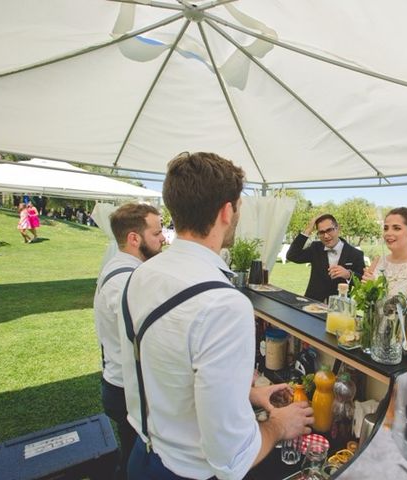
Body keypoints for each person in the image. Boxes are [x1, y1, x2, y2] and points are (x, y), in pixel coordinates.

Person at [121, 152, 313, 480]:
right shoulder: (224, 304)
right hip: (189, 472)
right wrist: (280, 425)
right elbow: (232, 457)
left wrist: (248, 394)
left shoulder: (142, 275)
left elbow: (170, 369)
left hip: (143, 456)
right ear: (227, 211)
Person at [94, 202, 165, 480]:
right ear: (134, 238)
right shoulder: (126, 281)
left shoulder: (122, 268)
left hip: (118, 384)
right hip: (126, 390)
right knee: (138, 462)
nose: (163, 238)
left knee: (131, 455)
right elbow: (151, 339)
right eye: (157, 233)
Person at [362, 207, 407, 305]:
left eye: (396, 228)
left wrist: (376, 291)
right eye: (386, 228)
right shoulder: (377, 261)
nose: (388, 233)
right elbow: (364, 302)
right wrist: (365, 288)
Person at [286, 214, 365, 302]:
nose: (326, 236)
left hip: (339, 306)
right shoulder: (315, 248)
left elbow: (363, 281)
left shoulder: (355, 254)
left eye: (329, 230)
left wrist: (349, 274)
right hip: (312, 305)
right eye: (321, 232)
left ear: (338, 228)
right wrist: (308, 230)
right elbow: (292, 255)